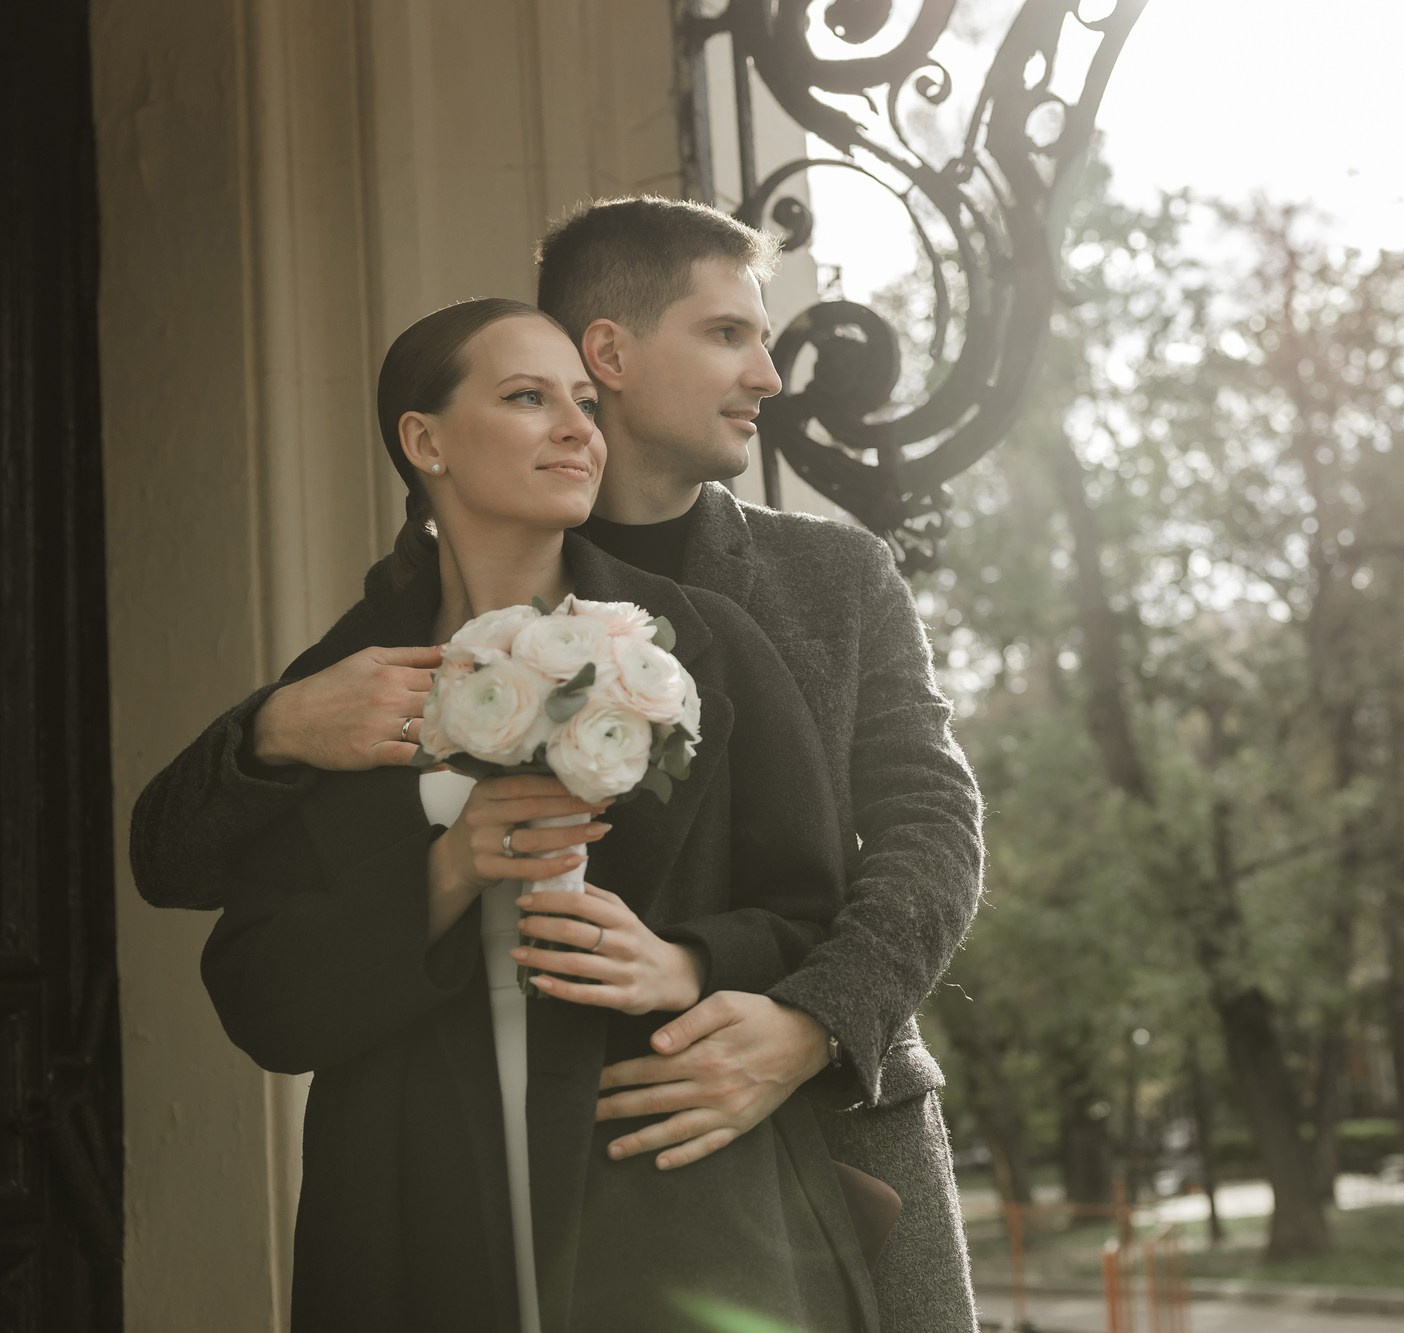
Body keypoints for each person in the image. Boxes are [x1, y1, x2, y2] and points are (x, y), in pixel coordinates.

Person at [130, 199, 982, 1329]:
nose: (768, 375)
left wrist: (803, 1020)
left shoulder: (824, 581)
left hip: (817, 1119)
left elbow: (930, 828)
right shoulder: (393, 635)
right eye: (729, 333)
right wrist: (274, 731)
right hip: (470, 1190)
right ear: (610, 350)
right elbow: (182, 866)